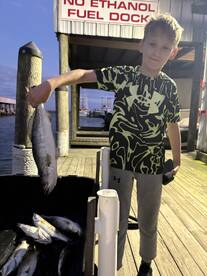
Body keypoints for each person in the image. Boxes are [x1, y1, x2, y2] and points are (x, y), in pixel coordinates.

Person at [27, 13, 183, 276]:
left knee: (148, 218)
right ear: (141, 45)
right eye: (153, 44)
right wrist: (51, 83)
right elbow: (82, 74)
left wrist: (177, 160)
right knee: (116, 220)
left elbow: (172, 125)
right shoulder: (123, 76)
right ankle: (115, 265)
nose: (158, 52)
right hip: (120, 162)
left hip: (153, 165)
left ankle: (146, 262)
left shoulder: (169, 88)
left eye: (165, 47)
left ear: (173, 52)